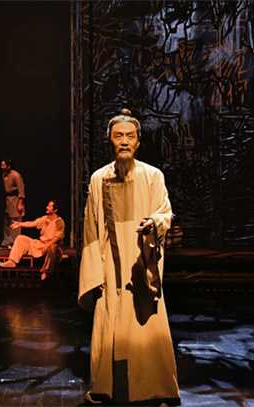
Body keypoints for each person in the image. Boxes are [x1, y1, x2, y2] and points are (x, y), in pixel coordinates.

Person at [78, 109, 180, 405]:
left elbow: (165, 213)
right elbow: (91, 229)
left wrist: (155, 223)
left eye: (130, 136)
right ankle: (107, 388)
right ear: (110, 140)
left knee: (147, 327)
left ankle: (156, 388)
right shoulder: (99, 179)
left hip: (141, 261)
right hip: (110, 266)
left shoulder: (153, 176)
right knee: (110, 323)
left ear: (138, 141)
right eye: (118, 136)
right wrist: (94, 274)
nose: (124, 141)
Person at [0, 199, 65, 280]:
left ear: (55, 210)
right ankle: (12, 261)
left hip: (52, 245)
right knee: (20, 238)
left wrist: (47, 245)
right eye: (48, 205)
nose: (47, 207)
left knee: (52, 247)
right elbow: (33, 223)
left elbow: (57, 237)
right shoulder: (45, 218)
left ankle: (46, 271)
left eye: (50, 206)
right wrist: (20, 224)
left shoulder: (59, 222)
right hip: (41, 244)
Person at [0, 159, 25, 249]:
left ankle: (15, 243)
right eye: (1, 165)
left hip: (15, 199)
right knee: (6, 221)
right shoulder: (4, 174)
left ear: (9, 166)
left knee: (15, 221)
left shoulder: (16, 175)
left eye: (3, 165)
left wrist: (20, 203)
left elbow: (21, 189)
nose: (2, 167)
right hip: (8, 200)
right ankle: (6, 242)